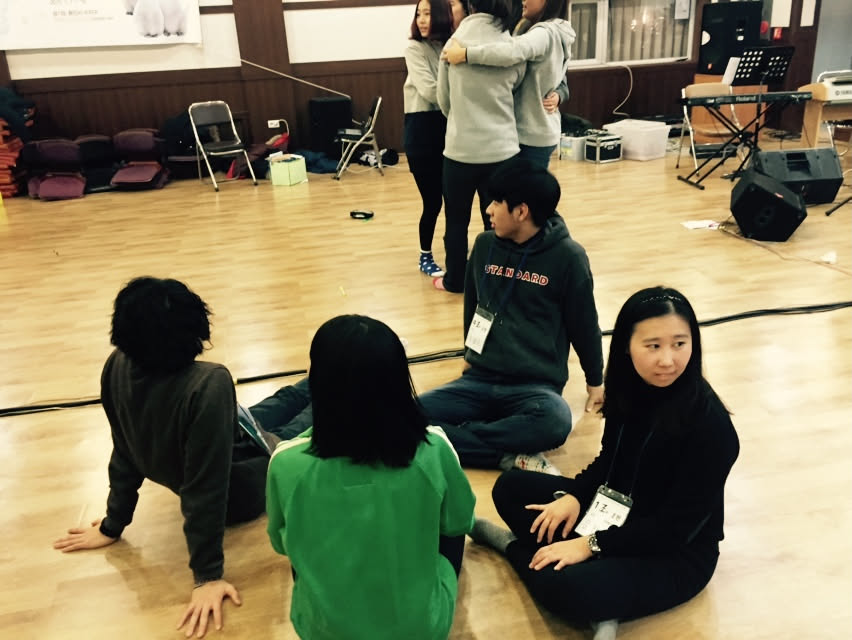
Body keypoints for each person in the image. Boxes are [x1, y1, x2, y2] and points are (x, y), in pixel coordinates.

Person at [469, 286, 740, 639]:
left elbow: (674, 530)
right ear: (626, 345)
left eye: (679, 343)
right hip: (614, 511)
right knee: (511, 487)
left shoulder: (712, 428)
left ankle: (512, 548)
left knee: (571, 590)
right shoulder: (629, 389)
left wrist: (589, 545)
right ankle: (599, 588)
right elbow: (608, 461)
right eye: (653, 346)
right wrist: (575, 497)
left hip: (674, 551)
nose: (667, 360)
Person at [52, 277, 311, 639]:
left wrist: (113, 524)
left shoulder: (117, 365)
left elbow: (124, 448)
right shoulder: (208, 383)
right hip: (240, 486)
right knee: (312, 416)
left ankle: (332, 373)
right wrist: (207, 576)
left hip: (224, 438)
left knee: (286, 398)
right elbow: (206, 489)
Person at [266, 314, 476, 640]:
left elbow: (282, 543)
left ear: (316, 381)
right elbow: (460, 521)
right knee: (446, 519)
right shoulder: (434, 448)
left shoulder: (285, 462)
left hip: (322, 632)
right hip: (422, 630)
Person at [419, 158, 604, 475]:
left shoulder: (568, 257)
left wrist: (595, 380)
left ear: (521, 212)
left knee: (556, 421)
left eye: (496, 202)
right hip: (479, 379)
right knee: (404, 413)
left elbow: (584, 323)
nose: (488, 210)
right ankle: (505, 455)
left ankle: (447, 439)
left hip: (535, 387)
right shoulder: (484, 245)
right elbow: (474, 306)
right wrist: (470, 352)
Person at [434, 0, 525, 293]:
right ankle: (496, 279)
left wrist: (462, 117)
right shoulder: (512, 45)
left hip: (460, 150)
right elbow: (518, 90)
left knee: (456, 221)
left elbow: (443, 100)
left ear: (471, 4)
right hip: (502, 150)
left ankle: (455, 280)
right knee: (499, 221)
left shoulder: (453, 44)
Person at [444, 0, 575, 169]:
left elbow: (511, 52)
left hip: (532, 131)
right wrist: (560, 93)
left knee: (524, 184)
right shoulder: (543, 29)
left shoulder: (544, 33)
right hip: (540, 128)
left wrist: (465, 54)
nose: (523, 0)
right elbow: (559, 74)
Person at [404, 0, 455, 278]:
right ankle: (425, 255)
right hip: (422, 133)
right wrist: (465, 98)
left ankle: (455, 253)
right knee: (433, 201)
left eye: (427, 14)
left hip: (449, 130)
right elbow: (429, 91)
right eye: (418, 14)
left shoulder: (451, 46)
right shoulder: (414, 49)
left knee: (453, 201)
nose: (422, 20)